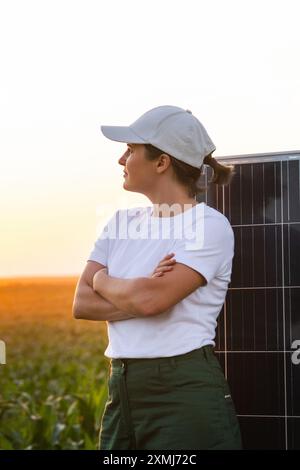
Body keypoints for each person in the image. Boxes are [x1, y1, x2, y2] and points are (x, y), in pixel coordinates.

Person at [72, 105, 242, 450]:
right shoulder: (119, 222)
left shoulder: (207, 226)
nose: (122, 160)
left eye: (131, 150)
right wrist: (140, 291)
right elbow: (81, 303)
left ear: (161, 162)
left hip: (182, 392)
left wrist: (104, 280)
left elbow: (148, 299)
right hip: (121, 388)